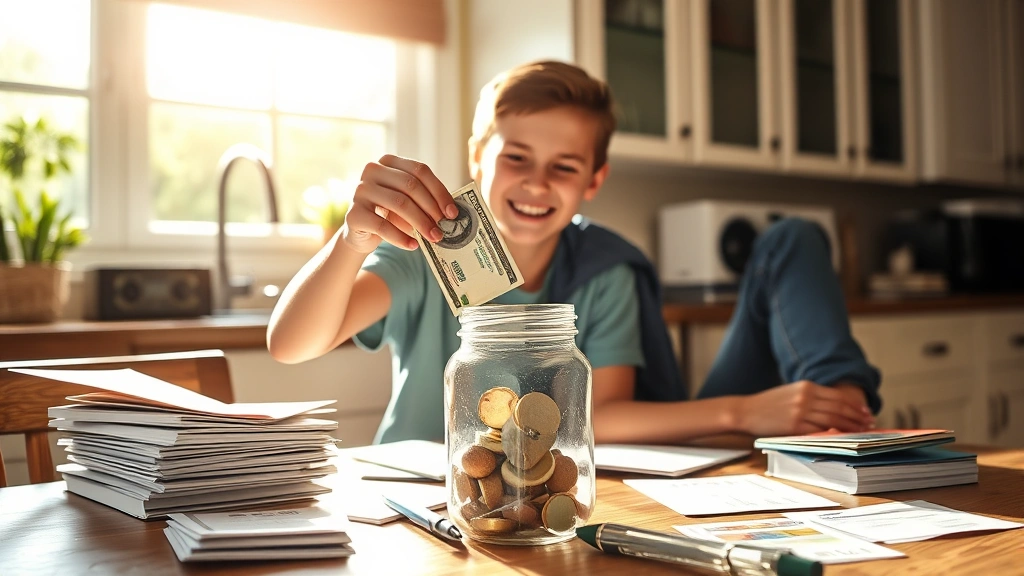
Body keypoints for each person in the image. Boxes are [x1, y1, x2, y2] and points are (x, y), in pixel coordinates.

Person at [267, 60, 880, 445]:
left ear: (593, 181)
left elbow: (602, 416)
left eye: (564, 167)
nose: (537, 184)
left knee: (794, 237)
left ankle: (847, 422)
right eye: (516, 158)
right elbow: (290, 344)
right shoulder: (422, 251)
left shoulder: (602, 269)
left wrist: (751, 412)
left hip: (551, 492)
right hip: (425, 501)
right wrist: (355, 239)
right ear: (478, 156)